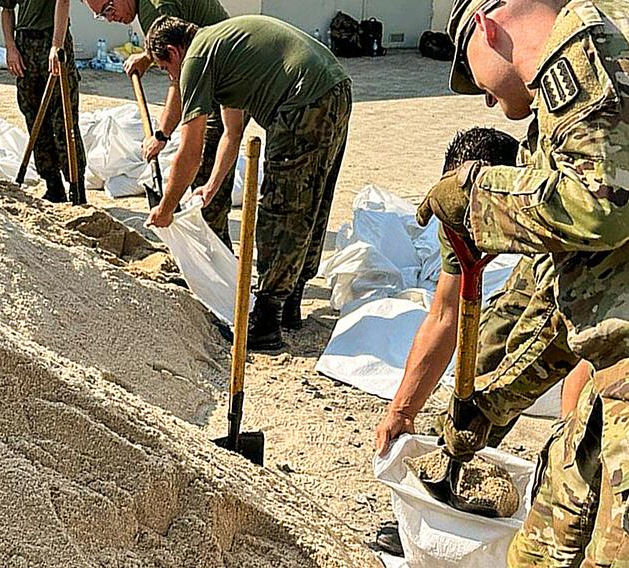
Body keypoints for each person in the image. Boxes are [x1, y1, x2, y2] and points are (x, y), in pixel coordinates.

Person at [418, 0, 629, 563]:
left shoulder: (586, 45)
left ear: (489, 28)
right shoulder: (559, 120)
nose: (487, 99)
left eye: (474, 75)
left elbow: (600, 208)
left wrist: (476, 193)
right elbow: (559, 299)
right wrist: (487, 404)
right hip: (612, 375)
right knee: (535, 553)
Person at [374, 127, 586, 457]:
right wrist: (401, 411)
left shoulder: (556, 204)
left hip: (591, 253)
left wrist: (570, 444)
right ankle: (455, 456)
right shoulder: (458, 208)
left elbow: (583, 338)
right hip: (544, 250)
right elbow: (445, 315)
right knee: (491, 350)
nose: (468, 230)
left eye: (477, 217)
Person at [144, 15, 351, 349]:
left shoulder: (195, 58)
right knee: (311, 197)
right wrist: (212, 185)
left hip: (304, 100)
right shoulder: (223, 48)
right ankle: (289, 302)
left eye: (166, 69)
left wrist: (166, 208)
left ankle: (267, 322)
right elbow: (232, 132)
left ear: (173, 52)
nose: (172, 78)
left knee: (282, 207)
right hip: (334, 87)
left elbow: (190, 148)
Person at [81, 0, 237, 248]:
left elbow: (180, 76)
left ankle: (215, 254)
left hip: (224, 76)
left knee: (203, 168)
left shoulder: (156, 11)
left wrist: (161, 135)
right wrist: (147, 57)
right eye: (101, 16)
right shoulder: (148, 7)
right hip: (217, 70)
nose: (110, 18)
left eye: (108, 9)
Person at [0, 0, 87, 204]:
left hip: (52, 38)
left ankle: (77, 189)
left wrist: (57, 44)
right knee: (35, 119)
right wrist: (11, 47)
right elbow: (7, 10)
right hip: (24, 45)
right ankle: (53, 187)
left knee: (64, 121)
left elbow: (63, 1)